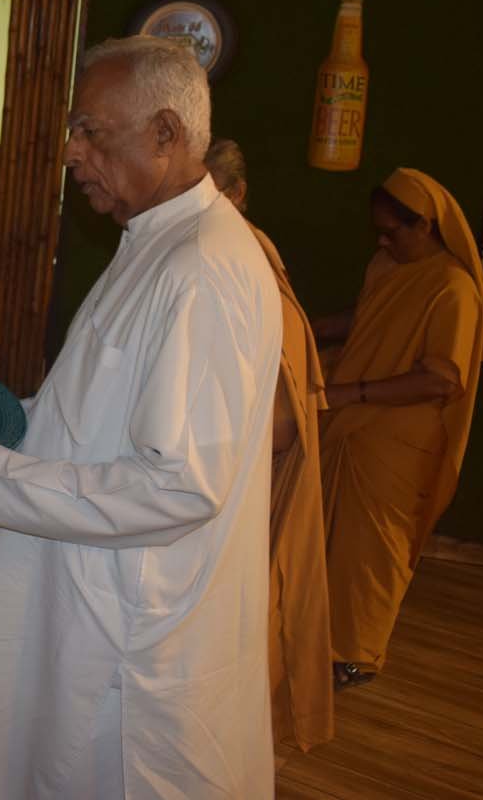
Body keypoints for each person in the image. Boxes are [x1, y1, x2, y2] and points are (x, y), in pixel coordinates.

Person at [0, 38, 281, 799]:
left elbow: (182, 484)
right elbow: (94, 410)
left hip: (131, 633)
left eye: (90, 131)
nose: (70, 151)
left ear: (165, 133)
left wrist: (0, 476)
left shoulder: (202, 267)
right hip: (88, 594)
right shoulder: (154, 242)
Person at [313, 168, 483, 688]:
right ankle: (314, 638)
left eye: (391, 232)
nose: (382, 241)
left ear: (425, 226)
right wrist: (308, 327)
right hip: (348, 427)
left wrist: (351, 393)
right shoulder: (386, 264)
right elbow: (368, 316)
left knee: (370, 555)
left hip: (396, 446)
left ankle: (356, 655)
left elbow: (441, 379)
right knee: (329, 543)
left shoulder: (455, 289)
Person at [206, 138, 335, 751]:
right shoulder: (220, 251)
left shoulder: (244, 263)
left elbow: (280, 427)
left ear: (236, 195)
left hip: (236, 481)